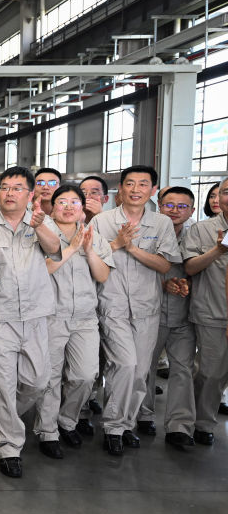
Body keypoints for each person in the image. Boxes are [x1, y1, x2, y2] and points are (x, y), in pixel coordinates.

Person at [0, 166, 60, 477]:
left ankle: (6, 414)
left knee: (38, 381)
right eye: (5, 187)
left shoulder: (40, 220)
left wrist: (39, 226)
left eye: (17, 188)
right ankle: (9, 446)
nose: (9, 193)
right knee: (2, 384)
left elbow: (55, 250)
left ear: (30, 194)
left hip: (35, 314)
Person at [92, 166, 180, 456]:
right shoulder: (102, 221)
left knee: (141, 371)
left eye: (143, 184)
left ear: (153, 190)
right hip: (112, 304)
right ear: (121, 188)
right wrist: (117, 244)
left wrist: (131, 249)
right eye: (130, 183)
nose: (135, 189)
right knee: (125, 365)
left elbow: (164, 265)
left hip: (147, 307)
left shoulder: (161, 223)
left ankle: (126, 423)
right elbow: (90, 258)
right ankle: (113, 428)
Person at [34, 186, 112, 450]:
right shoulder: (42, 234)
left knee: (85, 375)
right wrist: (72, 248)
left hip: (85, 318)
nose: (68, 207)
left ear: (82, 208)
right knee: (50, 377)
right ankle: (47, 431)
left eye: (74, 202)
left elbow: (102, 275)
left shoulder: (94, 237)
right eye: (62, 202)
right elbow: (43, 270)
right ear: (52, 207)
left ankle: (67, 421)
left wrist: (88, 250)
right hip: (51, 316)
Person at [139, 186, 196, 447]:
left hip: (185, 313)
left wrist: (186, 284)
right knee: (145, 366)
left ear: (191, 210)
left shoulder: (197, 234)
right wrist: (163, 284)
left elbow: (203, 269)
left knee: (182, 369)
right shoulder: (145, 231)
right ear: (159, 206)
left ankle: (179, 427)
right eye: (169, 205)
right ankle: (143, 415)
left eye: (182, 206)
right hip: (151, 310)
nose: (174, 211)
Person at [182, 177, 228, 446]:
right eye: (227, 192)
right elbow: (190, 267)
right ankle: (202, 422)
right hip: (213, 311)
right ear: (218, 198)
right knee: (211, 373)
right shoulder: (202, 230)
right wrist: (218, 250)